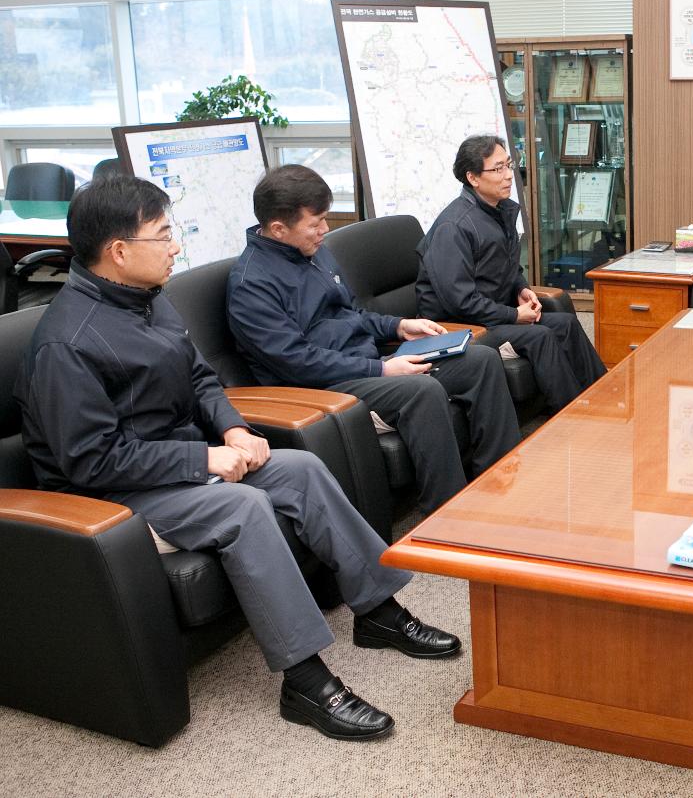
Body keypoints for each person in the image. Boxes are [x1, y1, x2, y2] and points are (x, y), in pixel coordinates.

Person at [15, 175, 461, 742]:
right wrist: (203, 459)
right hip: (116, 494)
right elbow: (90, 462)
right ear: (119, 251)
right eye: (163, 235)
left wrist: (232, 427)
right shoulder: (67, 342)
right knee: (244, 509)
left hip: (177, 458)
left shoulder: (148, 301)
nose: (175, 246)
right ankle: (303, 680)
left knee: (300, 468)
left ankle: (379, 611)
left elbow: (201, 377)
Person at [227, 164, 520, 516]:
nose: (324, 230)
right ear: (277, 228)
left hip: (368, 361)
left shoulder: (314, 252)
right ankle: (447, 515)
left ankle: (499, 479)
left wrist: (399, 327)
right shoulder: (251, 285)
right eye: (315, 223)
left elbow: (354, 313)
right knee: (421, 391)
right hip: (324, 386)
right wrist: (382, 368)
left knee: (480, 360)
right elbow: (297, 362)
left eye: (325, 219)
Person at [416, 135, 605, 412]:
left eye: (509, 165)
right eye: (497, 169)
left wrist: (521, 288)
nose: (508, 176)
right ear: (473, 178)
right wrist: (514, 315)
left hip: (491, 312)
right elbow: (460, 302)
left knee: (565, 323)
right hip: (461, 326)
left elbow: (507, 266)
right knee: (540, 336)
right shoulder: (454, 227)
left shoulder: (498, 210)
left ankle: (603, 398)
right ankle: (571, 417)